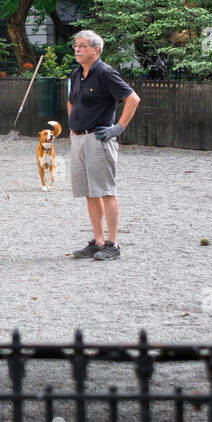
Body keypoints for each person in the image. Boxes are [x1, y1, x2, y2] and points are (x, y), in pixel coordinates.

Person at [66, 30, 140, 261]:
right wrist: (72, 127)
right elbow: (71, 102)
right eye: (76, 45)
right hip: (79, 138)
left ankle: (113, 244)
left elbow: (133, 98)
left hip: (99, 139)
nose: (77, 49)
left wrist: (117, 128)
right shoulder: (77, 73)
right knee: (89, 192)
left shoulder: (105, 73)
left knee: (106, 191)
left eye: (83, 46)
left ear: (96, 50)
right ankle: (97, 241)